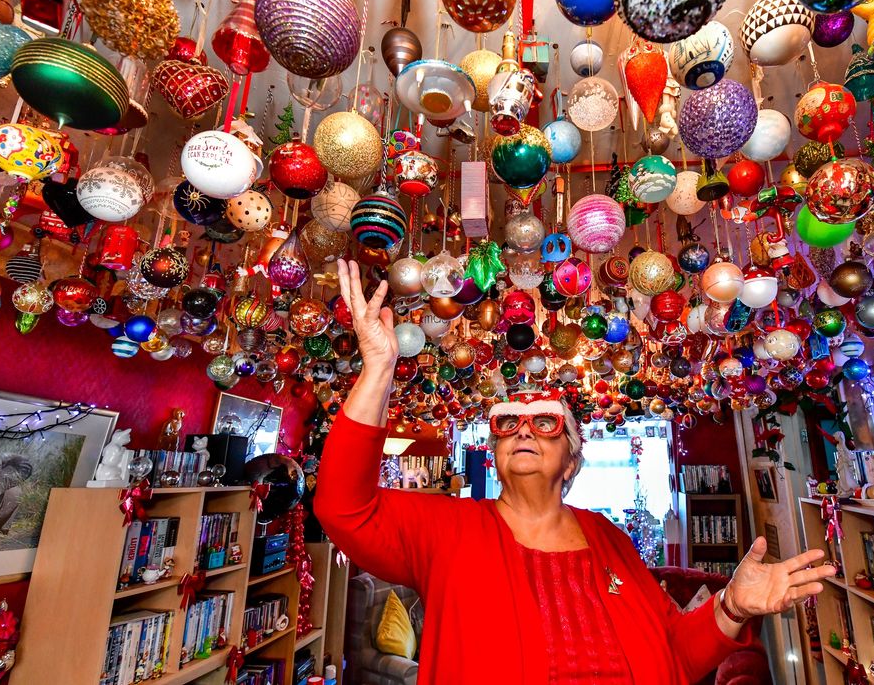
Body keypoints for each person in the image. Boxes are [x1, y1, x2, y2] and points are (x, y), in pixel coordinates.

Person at [316, 260, 836, 684]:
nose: (523, 431)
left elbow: (674, 655)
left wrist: (732, 607)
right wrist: (379, 371)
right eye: (508, 423)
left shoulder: (608, 538)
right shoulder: (448, 529)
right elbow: (343, 508)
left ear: (573, 460)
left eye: (546, 424)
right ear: (493, 449)